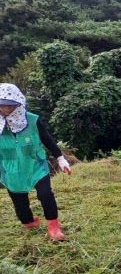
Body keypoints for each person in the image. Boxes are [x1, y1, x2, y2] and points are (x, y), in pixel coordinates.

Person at [0, 83, 72, 241]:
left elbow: (47, 138)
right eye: (2, 106)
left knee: (46, 194)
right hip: (10, 168)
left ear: (18, 104)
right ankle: (29, 222)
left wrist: (60, 158)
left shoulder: (31, 120)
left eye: (10, 106)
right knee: (20, 203)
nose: (5, 110)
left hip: (35, 165)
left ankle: (54, 227)